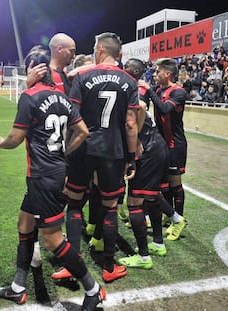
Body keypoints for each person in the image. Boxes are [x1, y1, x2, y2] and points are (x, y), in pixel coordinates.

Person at [0, 47, 106, 310]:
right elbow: (83, 131)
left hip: (44, 177)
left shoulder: (29, 97)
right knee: (24, 223)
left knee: (52, 238)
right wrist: (65, 152)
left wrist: (0, 143)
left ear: (32, 70)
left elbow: (15, 139)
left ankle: (93, 289)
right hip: (51, 172)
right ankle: (19, 288)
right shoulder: (62, 97)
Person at [63, 32, 139, 282]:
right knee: (110, 207)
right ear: (119, 54)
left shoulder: (82, 75)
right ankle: (108, 268)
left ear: (99, 50)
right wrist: (130, 156)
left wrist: (67, 151)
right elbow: (130, 124)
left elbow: (71, 120)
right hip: (112, 152)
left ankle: (72, 266)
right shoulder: (129, 81)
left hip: (83, 148)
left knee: (74, 204)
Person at [117, 58, 186, 270]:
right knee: (152, 195)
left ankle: (144, 257)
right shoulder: (137, 86)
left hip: (151, 148)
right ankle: (158, 242)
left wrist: (135, 139)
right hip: (157, 145)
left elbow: (141, 106)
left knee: (135, 201)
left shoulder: (134, 88)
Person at [138, 58, 187, 239]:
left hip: (175, 144)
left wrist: (149, 90)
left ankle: (178, 220)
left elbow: (165, 109)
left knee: (175, 184)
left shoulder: (179, 92)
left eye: (158, 72)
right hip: (160, 143)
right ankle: (168, 216)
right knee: (163, 183)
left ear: (167, 74)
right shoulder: (159, 90)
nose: (155, 75)